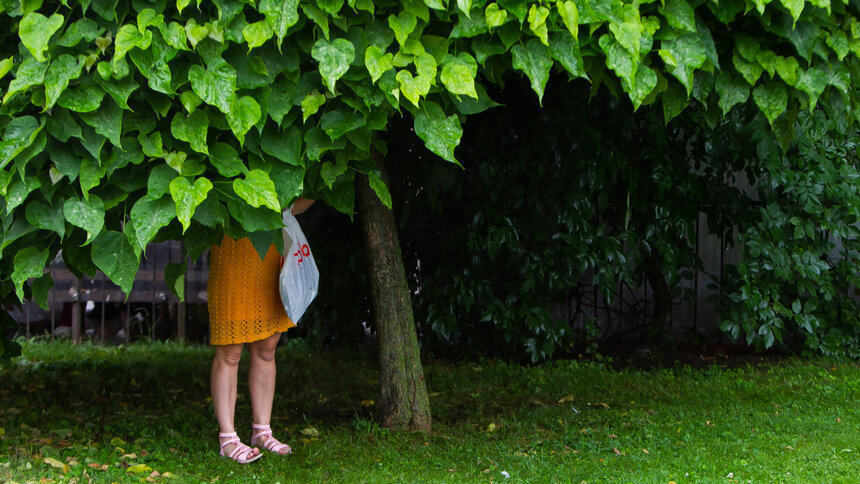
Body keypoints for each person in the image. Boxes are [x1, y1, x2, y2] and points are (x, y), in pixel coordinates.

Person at [207, 198, 315, 463]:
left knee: (267, 348)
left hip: (270, 250)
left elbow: (307, 197)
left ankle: (262, 432)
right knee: (230, 350)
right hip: (232, 249)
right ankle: (228, 439)